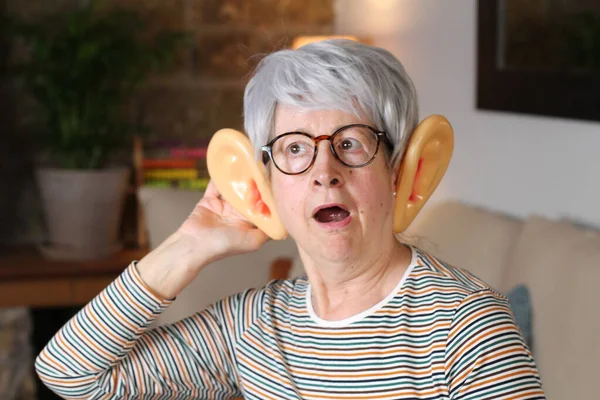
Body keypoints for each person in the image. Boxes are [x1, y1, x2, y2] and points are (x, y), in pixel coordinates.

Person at [35, 39, 545, 399]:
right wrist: (190, 244)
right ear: (266, 184)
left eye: (351, 143)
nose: (325, 172)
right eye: (295, 148)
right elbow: (70, 374)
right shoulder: (254, 327)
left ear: (398, 168)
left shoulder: (467, 324)